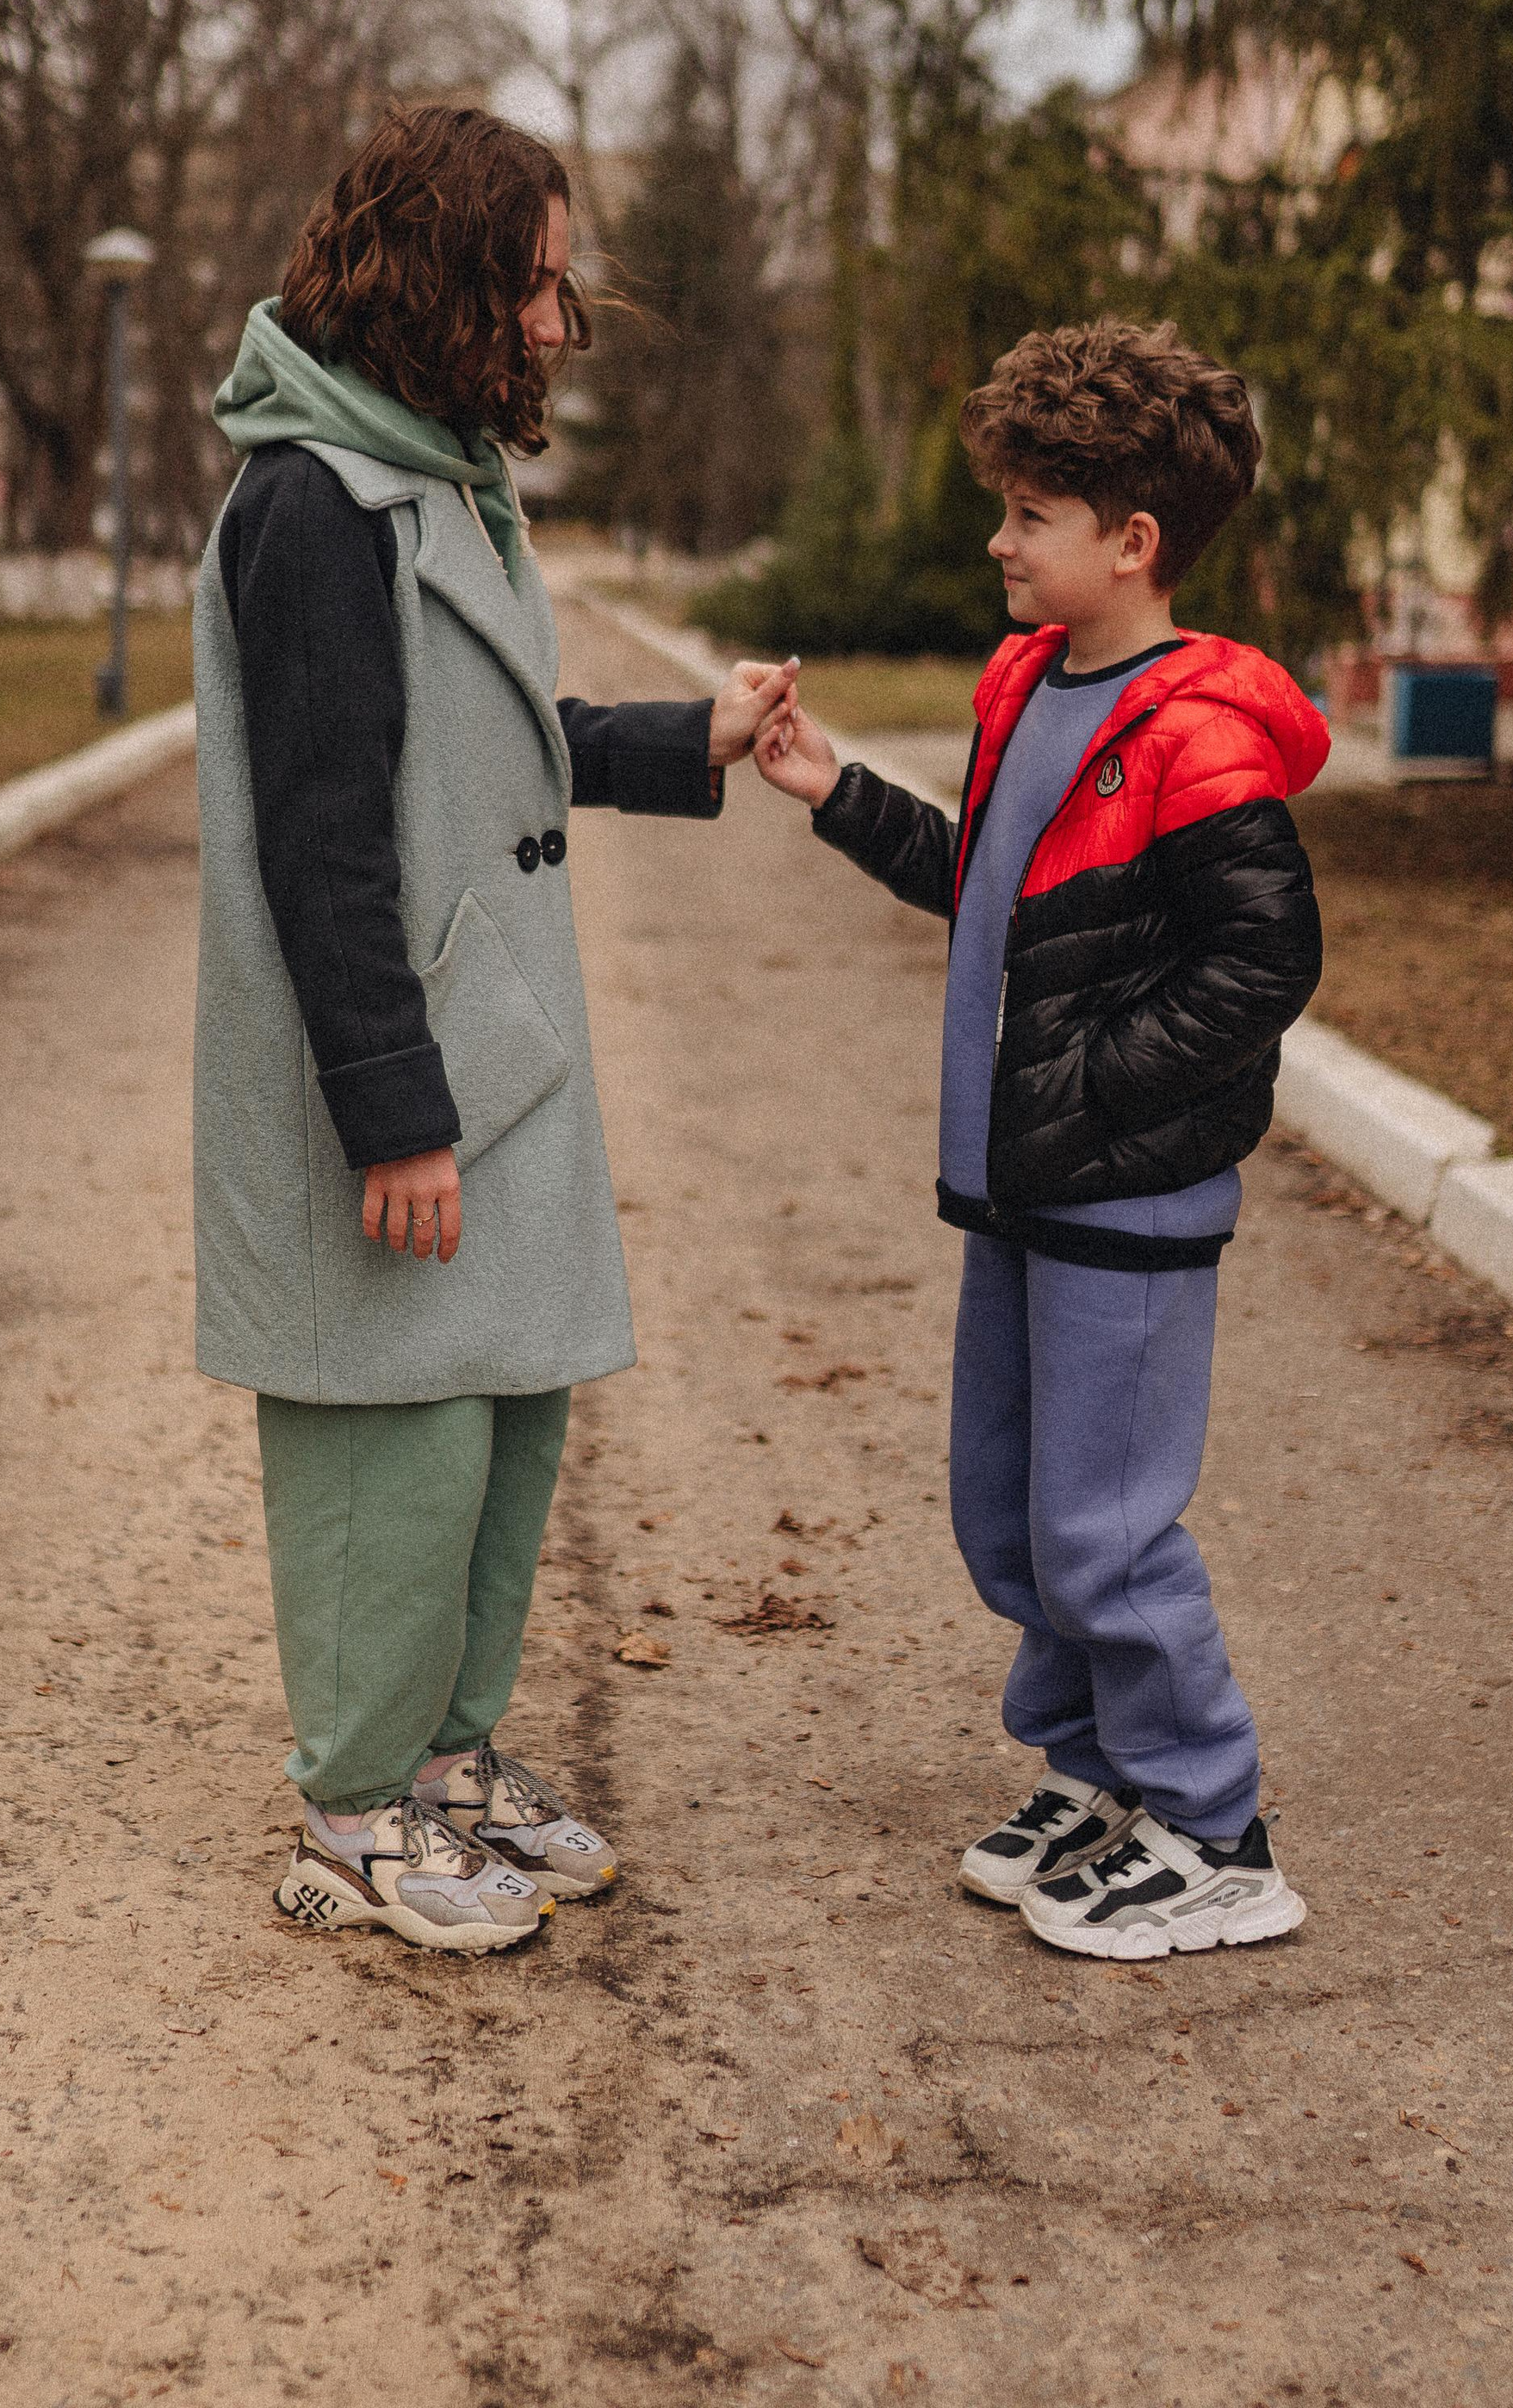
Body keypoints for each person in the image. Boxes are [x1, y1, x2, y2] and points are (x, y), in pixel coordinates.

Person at [193, 103, 792, 1957]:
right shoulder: (312, 501)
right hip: (406, 1070)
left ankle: (447, 1762)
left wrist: (673, 739)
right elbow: (319, 844)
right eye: (530, 287)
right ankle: (352, 1812)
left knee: (494, 1426)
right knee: (388, 1436)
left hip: (492, 1056)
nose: (553, 325)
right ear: (435, 281)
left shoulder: (433, 472)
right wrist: (392, 1111)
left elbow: (489, 737)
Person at [754, 318, 1328, 1959]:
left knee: (1105, 1524)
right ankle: (1104, 1775)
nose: (997, 540)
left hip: (1126, 1198)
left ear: (1131, 543)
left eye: (1028, 515)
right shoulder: (1029, 687)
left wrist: (1100, 1094)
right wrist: (833, 788)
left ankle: (1215, 1825)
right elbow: (993, 895)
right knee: (1006, 1508)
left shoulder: (1196, 731)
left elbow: (1264, 961)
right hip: (1021, 1190)